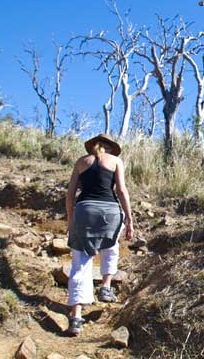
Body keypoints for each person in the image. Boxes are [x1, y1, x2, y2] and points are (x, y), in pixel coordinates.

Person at [65, 134, 134, 336]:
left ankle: (76, 317)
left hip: (84, 210)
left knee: (80, 262)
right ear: (110, 148)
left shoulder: (81, 162)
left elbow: (70, 194)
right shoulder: (116, 161)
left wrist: (71, 220)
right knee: (110, 247)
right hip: (110, 211)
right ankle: (105, 287)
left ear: (92, 147)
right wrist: (129, 218)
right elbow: (121, 190)